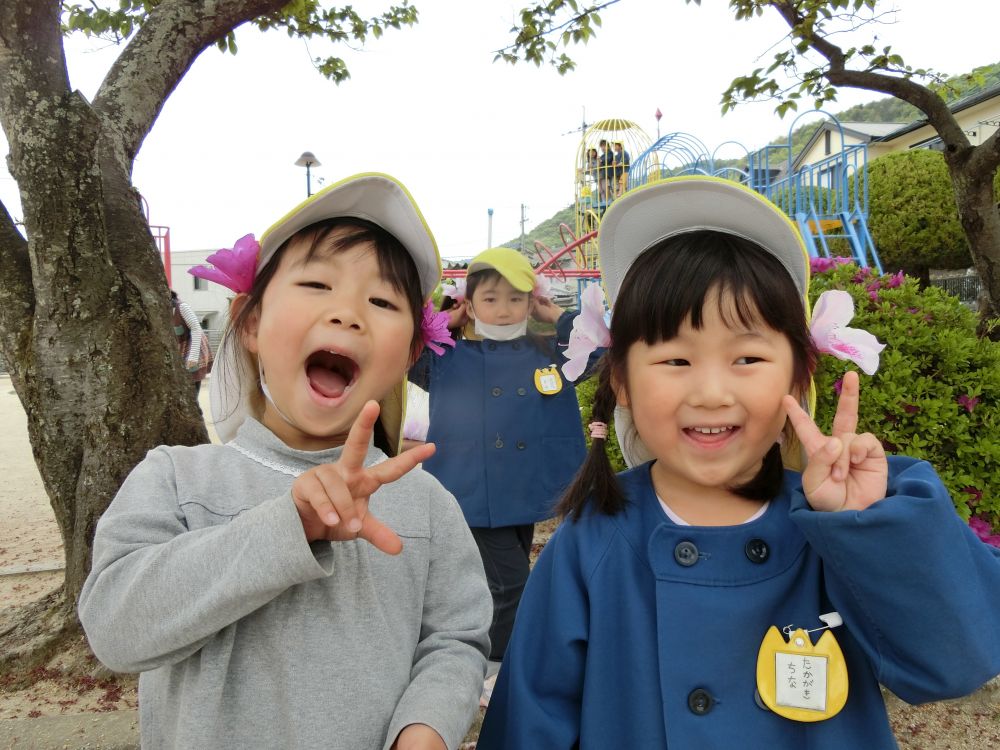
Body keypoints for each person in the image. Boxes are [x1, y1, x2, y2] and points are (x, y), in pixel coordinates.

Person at [477, 176, 1000, 749]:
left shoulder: (837, 532)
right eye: (675, 358)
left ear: (799, 377)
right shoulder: (590, 542)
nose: (709, 391)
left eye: (747, 357)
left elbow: (955, 662)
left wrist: (867, 527)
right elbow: (529, 724)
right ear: (621, 381)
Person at [79, 173, 492, 750]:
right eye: (318, 284)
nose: (349, 314)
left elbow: (455, 638)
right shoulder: (176, 479)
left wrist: (425, 728)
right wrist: (289, 526)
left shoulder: (427, 503)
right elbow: (116, 629)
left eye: (380, 301)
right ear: (251, 323)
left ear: (410, 353)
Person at [409, 248, 600, 672]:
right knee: (512, 582)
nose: (503, 309)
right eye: (490, 299)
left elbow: (601, 351)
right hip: (473, 490)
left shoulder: (550, 352)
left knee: (500, 580)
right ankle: (502, 663)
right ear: (470, 304)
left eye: (516, 298)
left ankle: (481, 652)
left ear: (532, 302)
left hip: (526, 489)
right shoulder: (446, 358)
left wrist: (556, 315)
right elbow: (404, 351)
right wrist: (447, 321)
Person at [171, 289, 212, 395]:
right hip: (180, 349)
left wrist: (193, 356)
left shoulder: (182, 307)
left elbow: (196, 328)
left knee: (192, 384)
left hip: (195, 346)